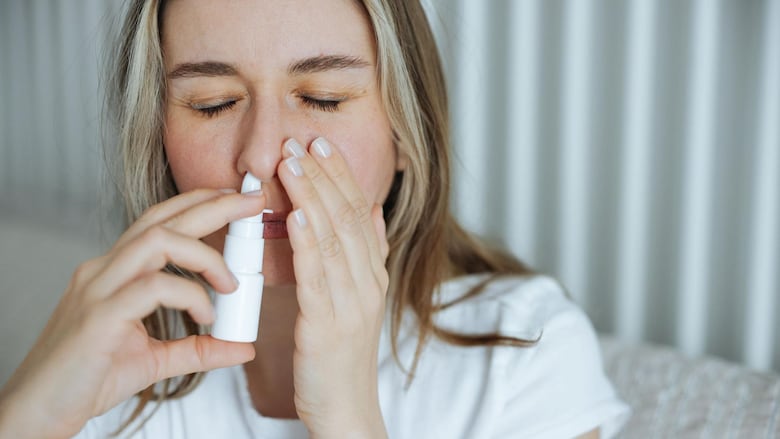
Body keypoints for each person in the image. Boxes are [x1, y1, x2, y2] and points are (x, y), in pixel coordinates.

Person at [0, 0, 630, 437]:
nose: (261, 156)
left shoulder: (525, 356)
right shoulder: (114, 355)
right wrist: (25, 419)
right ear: (158, 136)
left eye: (322, 98)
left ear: (407, 131)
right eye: (213, 104)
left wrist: (349, 420)